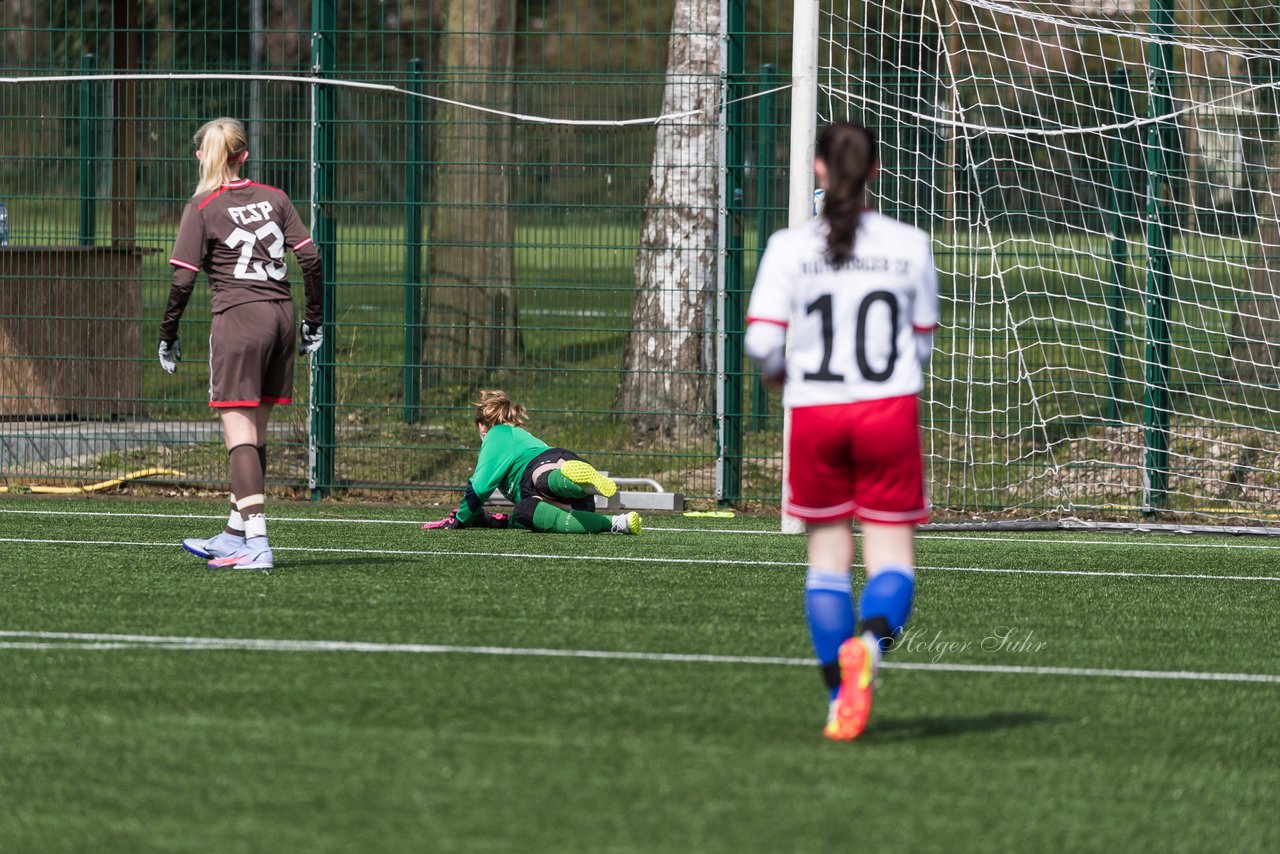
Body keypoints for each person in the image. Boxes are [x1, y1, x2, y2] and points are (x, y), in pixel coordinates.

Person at [745, 120, 938, 741]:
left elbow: (760, 343)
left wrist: (780, 376)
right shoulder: (911, 244)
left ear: (819, 170)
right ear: (877, 170)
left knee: (828, 564)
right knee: (892, 562)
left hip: (817, 415)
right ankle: (870, 653)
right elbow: (922, 344)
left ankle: (838, 702)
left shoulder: (787, 246)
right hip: (887, 414)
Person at [158, 117, 323, 571]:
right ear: (243, 155)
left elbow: (182, 279)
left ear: (206, 156)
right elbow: (309, 257)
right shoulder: (276, 197)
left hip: (239, 322)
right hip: (282, 319)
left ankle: (258, 543)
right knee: (255, 434)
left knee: (238, 438)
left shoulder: (202, 206)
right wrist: (314, 320)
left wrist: (168, 334)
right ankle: (235, 533)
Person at [423, 390, 642, 536]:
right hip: (577, 497)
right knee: (525, 510)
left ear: (482, 425)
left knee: (540, 478)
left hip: (544, 466)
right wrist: (490, 520)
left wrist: (460, 519)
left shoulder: (496, 433)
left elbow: (479, 488)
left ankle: (614, 523)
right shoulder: (523, 436)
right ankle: (600, 502)